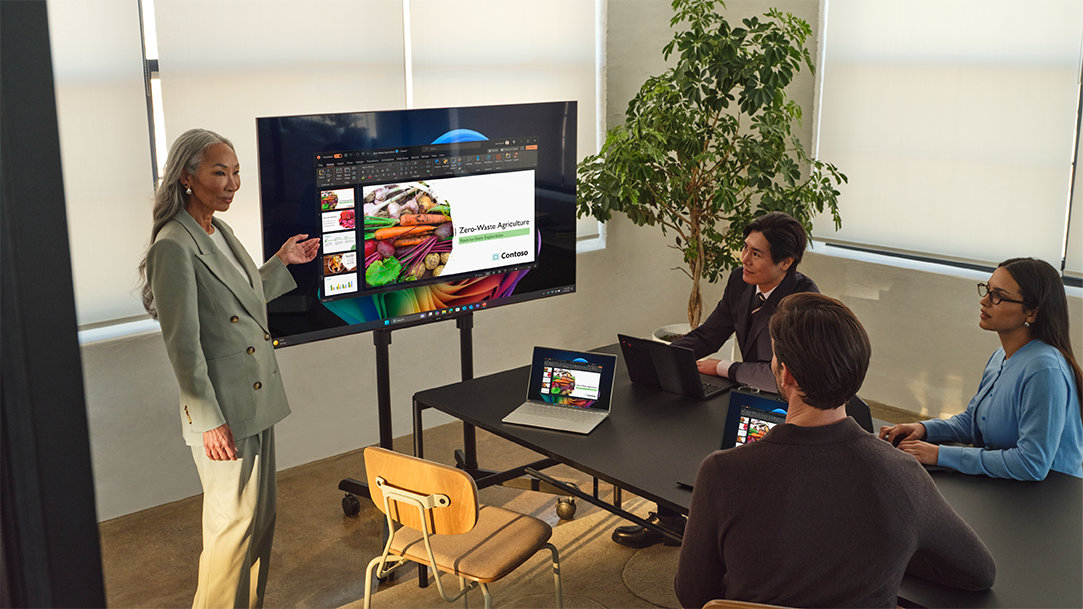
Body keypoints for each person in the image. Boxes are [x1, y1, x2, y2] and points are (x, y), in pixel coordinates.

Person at [675, 293, 996, 608]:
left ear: (786, 375)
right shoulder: (902, 474)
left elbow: (693, 595)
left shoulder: (722, 472)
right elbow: (978, 572)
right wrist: (893, 549)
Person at [137, 128, 319, 609]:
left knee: (259, 526)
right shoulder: (173, 246)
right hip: (224, 412)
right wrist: (209, 419)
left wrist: (282, 261)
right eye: (220, 172)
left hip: (256, 400)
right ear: (187, 177)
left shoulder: (220, 231)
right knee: (231, 531)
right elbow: (183, 345)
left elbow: (239, 298)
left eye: (236, 171)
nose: (232, 182)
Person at [612, 211, 817, 548]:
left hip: (780, 400)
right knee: (673, 420)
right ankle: (669, 521)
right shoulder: (741, 280)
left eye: (756, 253)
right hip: (745, 386)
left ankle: (729, 539)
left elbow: (784, 375)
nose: (744, 259)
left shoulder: (801, 300)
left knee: (727, 459)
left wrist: (724, 368)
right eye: (745, 248)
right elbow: (710, 332)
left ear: (786, 262)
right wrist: (665, 354)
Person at [881, 257, 1083, 480]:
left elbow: (1031, 464)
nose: (984, 301)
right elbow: (973, 421)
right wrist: (925, 429)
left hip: (1049, 500)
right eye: (987, 290)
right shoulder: (1000, 356)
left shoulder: (1044, 370)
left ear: (1032, 312)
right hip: (1008, 489)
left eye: (998, 296)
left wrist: (941, 455)